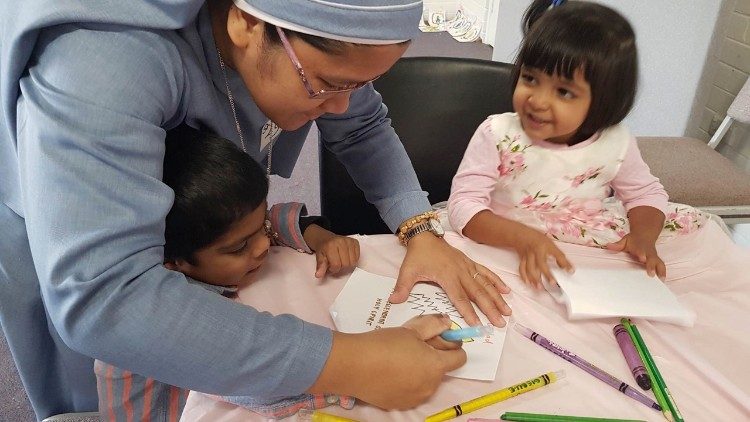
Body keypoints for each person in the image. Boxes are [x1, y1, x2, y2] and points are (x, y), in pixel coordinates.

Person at [0, 0, 510, 419]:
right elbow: (105, 297)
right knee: (107, 388)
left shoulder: (296, 42)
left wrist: (420, 228)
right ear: (246, 22)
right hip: (70, 215)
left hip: (192, 216)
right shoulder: (102, 57)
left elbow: (361, 125)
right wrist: (352, 361)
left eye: (360, 84)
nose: (340, 106)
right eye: (330, 83)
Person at [95, 125, 363, 420]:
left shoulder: (220, 229)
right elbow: (255, 384)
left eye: (261, 228)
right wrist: (353, 380)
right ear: (172, 261)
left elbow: (273, 216)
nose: (263, 245)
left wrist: (318, 236)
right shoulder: (157, 322)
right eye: (239, 248)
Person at [447, 0, 707, 289]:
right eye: (530, 78)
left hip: (584, 256)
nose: (538, 100)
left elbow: (645, 194)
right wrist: (525, 237)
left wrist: (643, 238)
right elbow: (463, 206)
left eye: (564, 92)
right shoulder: (497, 134)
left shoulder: (615, 142)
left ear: (604, 101)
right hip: (502, 244)